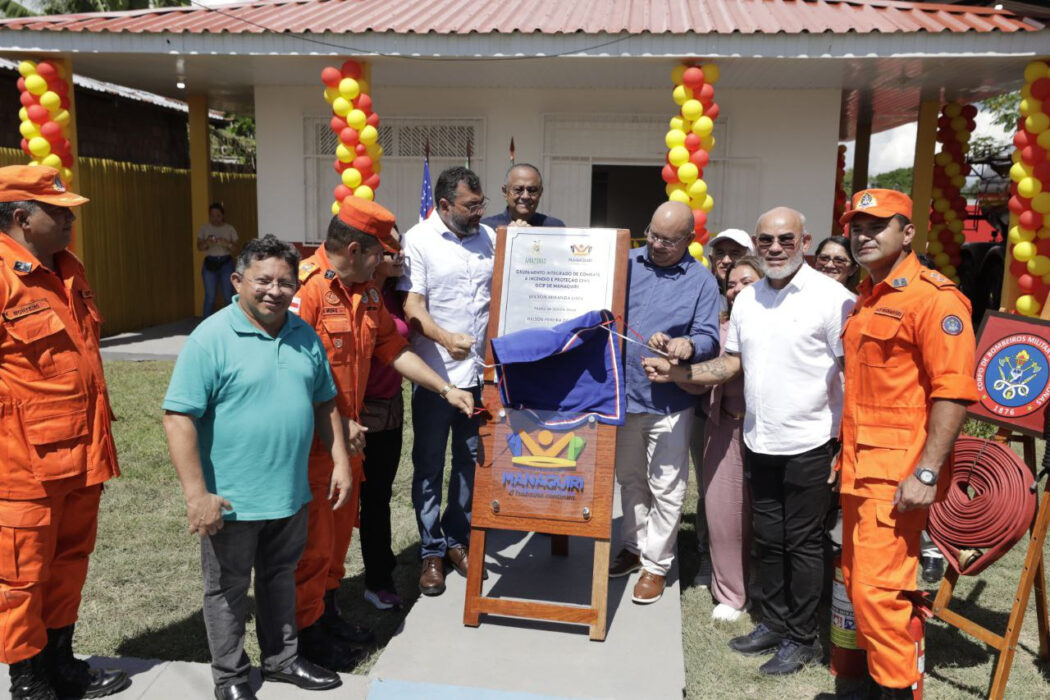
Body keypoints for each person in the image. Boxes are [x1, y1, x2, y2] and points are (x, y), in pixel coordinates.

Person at [644, 207, 855, 675]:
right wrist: (679, 372)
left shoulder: (835, 298)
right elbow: (728, 366)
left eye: (785, 239)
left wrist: (846, 443)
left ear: (805, 241)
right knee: (770, 539)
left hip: (812, 443)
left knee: (801, 543)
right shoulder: (748, 300)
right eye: (766, 241)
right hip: (760, 440)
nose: (775, 248)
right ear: (756, 245)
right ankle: (775, 624)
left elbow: (853, 375)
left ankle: (802, 637)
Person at [163, 235, 350, 700]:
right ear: (237, 281)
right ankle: (230, 677)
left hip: (289, 493)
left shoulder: (303, 333)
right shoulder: (211, 338)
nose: (274, 290)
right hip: (230, 499)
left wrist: (342, 461)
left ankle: (282, 660)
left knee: (279, 578)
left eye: (285, 282)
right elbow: (178, 417)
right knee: (226, 591)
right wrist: (196, 496)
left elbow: (326, 400)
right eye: (263, 280)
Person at [292, 199, 474, 659]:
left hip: (344, 445)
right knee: (311, 545)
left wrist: (444, 388)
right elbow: (293, 375)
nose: (386, 264)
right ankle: (306, 639)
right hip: (310, 446)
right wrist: (339, 418)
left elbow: (393, 352)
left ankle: (326, 616)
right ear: (355, 249)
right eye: (380, 255)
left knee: (335, 541)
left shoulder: (365, 294)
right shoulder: (307, 291)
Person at [834, 189, 978, 698]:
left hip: (897, 478)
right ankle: (875, 684)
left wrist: (927, 471)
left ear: (908, 232)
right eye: (856, 226)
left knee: (878, 593)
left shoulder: (935, 299)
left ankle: (897, 690)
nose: (862, 235)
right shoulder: (867, 296)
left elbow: (955, 393)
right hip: (860, 469)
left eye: (877, 225)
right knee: (858, 584)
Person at [0, 165, 130, 700]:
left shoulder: (67, 270)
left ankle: (60, 660)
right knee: (23, 576)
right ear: (22, 218)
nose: (69, 219)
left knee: (70, 562)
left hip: (82, 453)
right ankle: (29, 680)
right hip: (22, 462)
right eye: (57, 211)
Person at [608, 200, 720, 605]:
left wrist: (686, 344)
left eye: (667, 241)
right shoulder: (627, 263)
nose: (656, 244)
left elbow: (710, 337)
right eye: (652, 234)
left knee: (668, 486)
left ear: (689, 241)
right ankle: (633, 547)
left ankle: (656, 565)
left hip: (671, 401)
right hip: (623, 394)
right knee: (630, 478)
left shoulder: (702, 283)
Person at [399, 166, 493, 596]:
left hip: (479, 375)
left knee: (471, 461)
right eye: (470, 206)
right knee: (430, 464)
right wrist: (443, 337)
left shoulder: (489, 239)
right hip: (436, 375)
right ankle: (431, 550)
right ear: (443, 205)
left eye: (481, 205)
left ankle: (457, 538)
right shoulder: (419, 240)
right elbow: (413, 305)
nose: (478, 213)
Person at [702, 255, 763, 622]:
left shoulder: (779, 324)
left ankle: (760, 584)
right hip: (725, 426)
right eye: (732, 283)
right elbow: (707, 370)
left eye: (746, 281)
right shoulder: (719, 328)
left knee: (766, 517)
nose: (736, 288)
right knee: (723, 514)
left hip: (771, 433)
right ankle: (730, 593)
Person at [694, 227, 756, 587]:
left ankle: (753, 566)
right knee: (713, 491)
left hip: (758, 422)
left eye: (736, 253)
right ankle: (708, 554)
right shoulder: (706, 294)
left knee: (755, 499)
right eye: (720, 253)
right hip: (713, 413)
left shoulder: (762, 303)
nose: (727, 260)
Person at [359, 229, 411, 611]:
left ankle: (380, 570)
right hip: (358, 412)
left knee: (379, 496)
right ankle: (374, 579)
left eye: (400, 246)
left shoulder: (397, 293)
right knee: (361, 500)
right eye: (391, 248)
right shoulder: (354, 296)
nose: (400, 253)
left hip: (392, 407)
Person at [480, 163, 565, 229]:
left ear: (540, 192)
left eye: (532, 190)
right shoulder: (487, 228)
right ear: (505, 192)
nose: (525, 196)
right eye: (518, 189)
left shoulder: (555, 227)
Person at [197, 202, 238, 317]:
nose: (215, 218)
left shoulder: (229, 228)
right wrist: (207, 242)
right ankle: (205, 326)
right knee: (210, 297)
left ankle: (231, 324)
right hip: (210, 263)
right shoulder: (204, 228)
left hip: (226, 263)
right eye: (212, 215)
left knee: (228, 296)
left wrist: (227, 243)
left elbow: (235, 248)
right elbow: (199, 247)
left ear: (223, 215)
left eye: (218, 215)